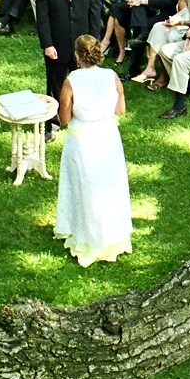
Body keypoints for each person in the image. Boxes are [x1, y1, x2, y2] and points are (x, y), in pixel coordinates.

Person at [54, 36, 133, 265]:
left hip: (82, 141)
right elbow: (121, 110)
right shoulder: (112, 76)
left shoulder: (72, 81)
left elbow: (65, 118)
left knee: (84, 188)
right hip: (108, 138)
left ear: (78, 55)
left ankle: (87, 235)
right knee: (110, 187)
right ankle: (113, 234)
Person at [36, 0, 106, 123]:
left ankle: (81, 115)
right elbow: (42, 15)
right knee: (55, 82)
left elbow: (94, 11)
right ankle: (53, 121)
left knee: (83, 80)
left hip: (82, 41)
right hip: (57, 41)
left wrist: (94, 42)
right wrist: (47, 44)